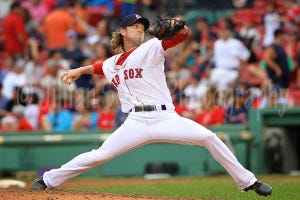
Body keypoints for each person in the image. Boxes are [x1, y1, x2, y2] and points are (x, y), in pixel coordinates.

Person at [31, 14, 272, 196]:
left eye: (142, 27)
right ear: (123, 32)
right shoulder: (112, 62)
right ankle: (48, 180)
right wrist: (78, 71)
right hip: (134, 122)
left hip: (166, 118)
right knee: (98, 155)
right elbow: (99, 67)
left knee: (209, 137)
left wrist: (181, 25)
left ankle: (248, 182)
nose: (141, 30)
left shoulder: (152, 47)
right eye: (135, 27)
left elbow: (182, 35)